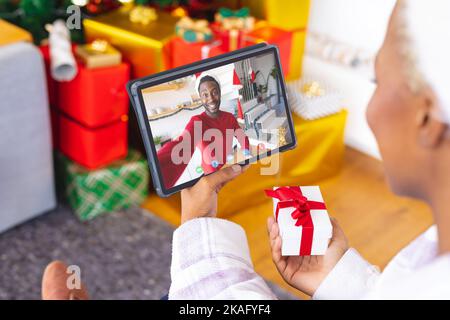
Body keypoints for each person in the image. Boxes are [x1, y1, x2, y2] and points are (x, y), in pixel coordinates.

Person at [41, 0, 450, 300]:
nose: (371, 107)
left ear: (427, 119)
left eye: (378, 83)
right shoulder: (196, 122)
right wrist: (337, 278)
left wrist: (198, 215)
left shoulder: (229, 120)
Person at [156, 74, 251, 189]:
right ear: (200, 98)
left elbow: (241, 136)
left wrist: (247, 153)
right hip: (211, 175)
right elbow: (182, 146)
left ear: (220, 93)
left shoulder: (229, 117)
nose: (210, 98)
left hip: (228, 164)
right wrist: (155, 173)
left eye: (214, 92)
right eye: (205, 95)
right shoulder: (198, 121)